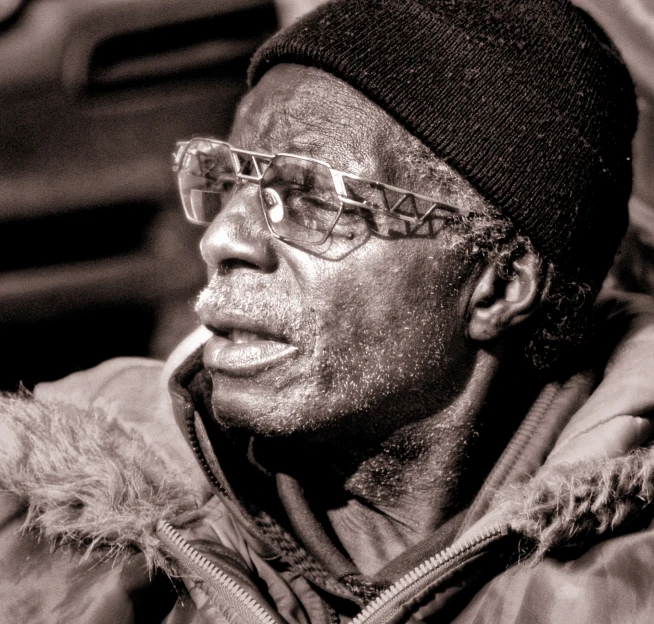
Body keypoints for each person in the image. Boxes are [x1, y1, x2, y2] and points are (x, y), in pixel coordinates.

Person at [2, 0, 654, 622]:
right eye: (229, 180)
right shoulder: (54, 501)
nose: (222, 239)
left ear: (497, 284)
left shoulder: (628, 583)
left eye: (312, 199)